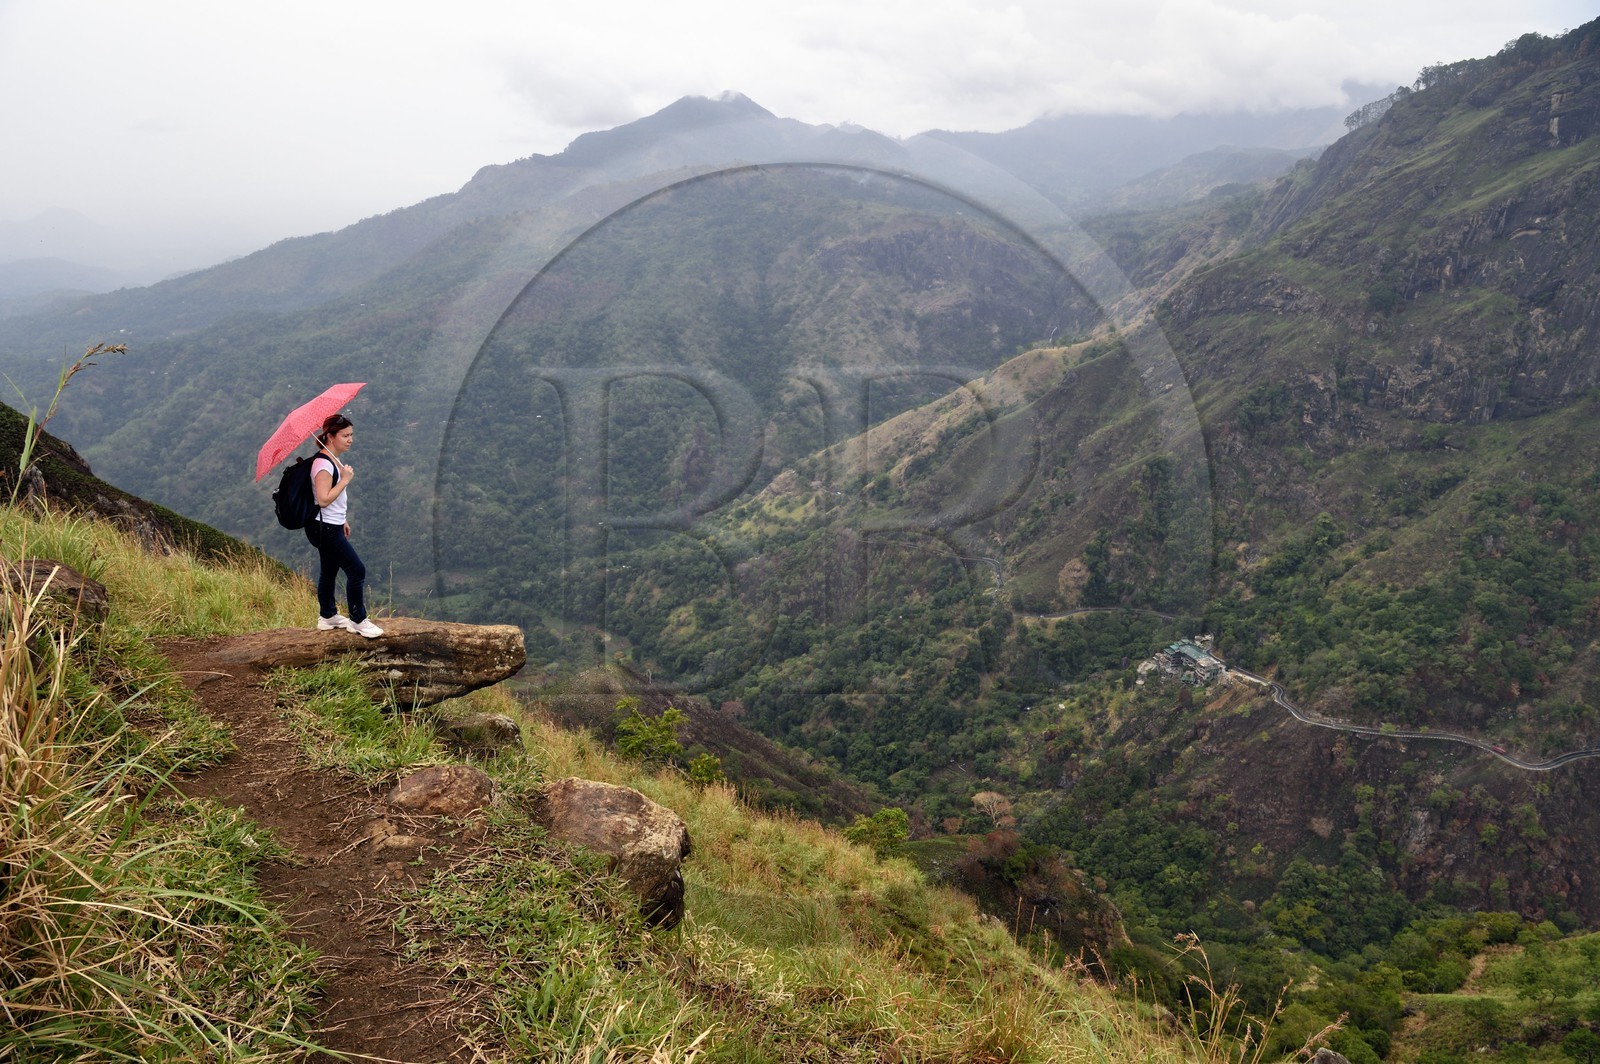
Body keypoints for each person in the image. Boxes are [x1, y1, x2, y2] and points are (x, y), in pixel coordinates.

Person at [305, 414, 384, 638]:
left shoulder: (331, 460)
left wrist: (343, 519)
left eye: (351, 435)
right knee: (356, 570)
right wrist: (345, 479)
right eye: (345, 435)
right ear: (330, 437)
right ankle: (358, 620)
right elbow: (323, 499)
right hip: (326, 528)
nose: (350, 439)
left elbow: (331, 500)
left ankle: (328, 616)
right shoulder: (323, 464)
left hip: (330, 524)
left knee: (329, 570)